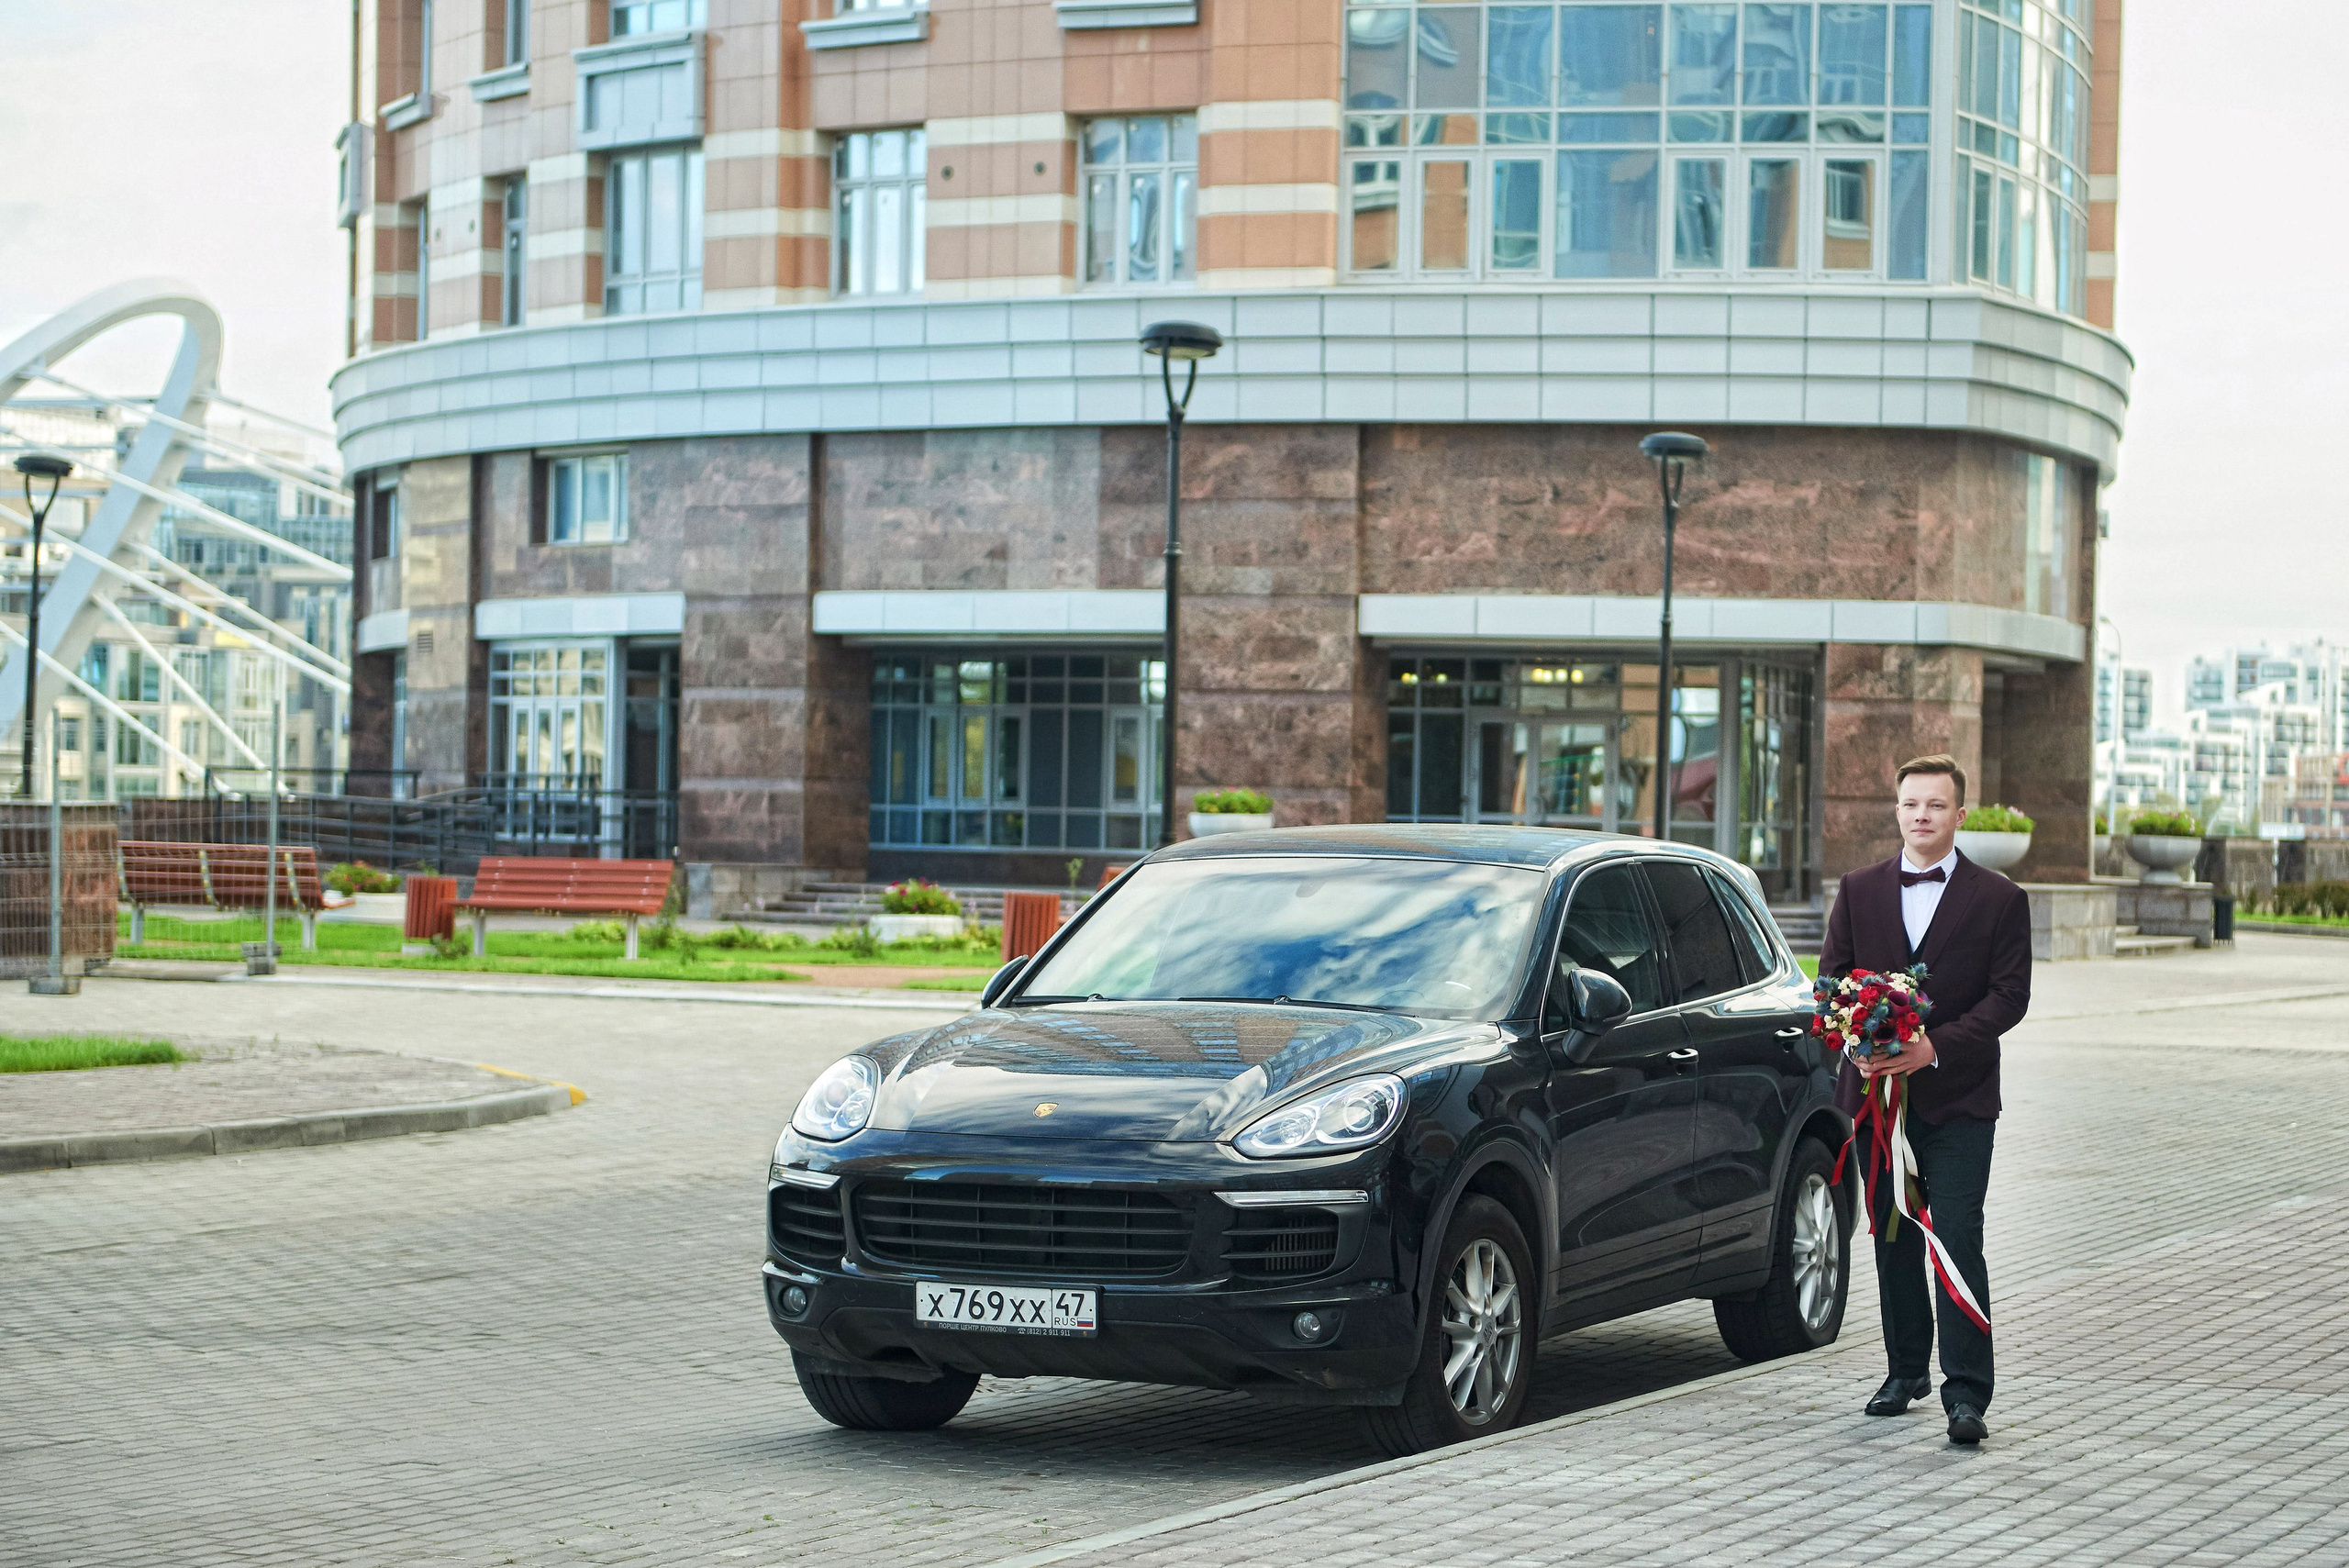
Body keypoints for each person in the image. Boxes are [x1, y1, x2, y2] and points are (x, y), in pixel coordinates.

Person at [1819, 752, 2032, 1446]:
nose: (1922, 816)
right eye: (1911, 804)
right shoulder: (1857, 888)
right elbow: (1830, 984)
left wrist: (1933, 1047)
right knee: (1891, 1234)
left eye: (1936, 805)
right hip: (1877, 1102)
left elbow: (2010, 997)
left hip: (1960, 1100)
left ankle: (1966, 1392)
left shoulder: (2001, 898)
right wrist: (1855, 1043)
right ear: (1898, 809)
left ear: (1959, 815)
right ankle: (1904, 1368)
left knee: (1957, 1235)